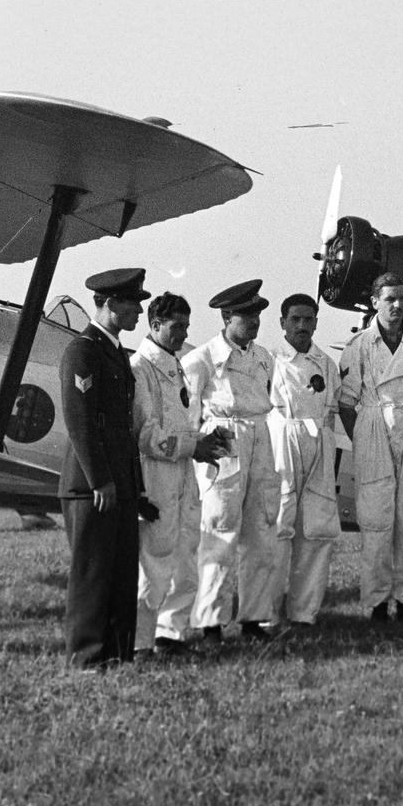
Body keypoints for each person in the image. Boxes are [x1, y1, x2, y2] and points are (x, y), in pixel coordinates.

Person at [58, 268, 159, 669]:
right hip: (92, 486)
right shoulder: (83, 351)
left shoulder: (115, 352)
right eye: (133, 303)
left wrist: (130, 484)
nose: (138, 311)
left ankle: (116, 653)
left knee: (120, 574)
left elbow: (121, 428)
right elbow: (80, 421)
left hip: (119, 484)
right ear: (110, 304)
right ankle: (86, 658)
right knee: (92, 573)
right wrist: (100, 479)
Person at [338, 272, 403, 623]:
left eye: (401, 298)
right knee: (375, 518)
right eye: (389, 299)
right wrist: (365, 436)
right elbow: (346, 402)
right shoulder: (359, 347)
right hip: (373, 425)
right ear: (374, 303)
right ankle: (379, 600)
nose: (397, 305)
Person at [182, 280, 281, 642]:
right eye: (246, 315)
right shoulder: (199, 361)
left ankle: (254, 617)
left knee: (261, 530)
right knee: (219, 531)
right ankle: (210, 621)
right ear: (226, 316)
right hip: (222, 442)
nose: (254, 322)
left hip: (260, 440)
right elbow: (190, 419)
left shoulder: (263, 358)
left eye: (257, 314)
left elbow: (266, 397)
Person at [131, 293, 228, 656]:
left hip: (184, 474)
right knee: (154, 559)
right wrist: (192, 447)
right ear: (154, 325)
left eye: (186, 327)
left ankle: (170, 633)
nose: (181, 333)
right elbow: (145, 434)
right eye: (175, 327)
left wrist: (204, 441)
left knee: (186, 554)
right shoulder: (140, 369)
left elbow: (183, 421)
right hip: (156, 473)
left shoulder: (176, 365)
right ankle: (140, 641)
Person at [268, 293, 343, 626]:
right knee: (275, 530)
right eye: (295, 319)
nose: (302, 326)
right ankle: (264, 614)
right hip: (279, 446)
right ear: (282, 322)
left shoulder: (326, 363)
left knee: (316, 530)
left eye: (308, 319)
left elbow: (332, 410)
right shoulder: (268, 360)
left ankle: (304, 613)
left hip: (318, 447)